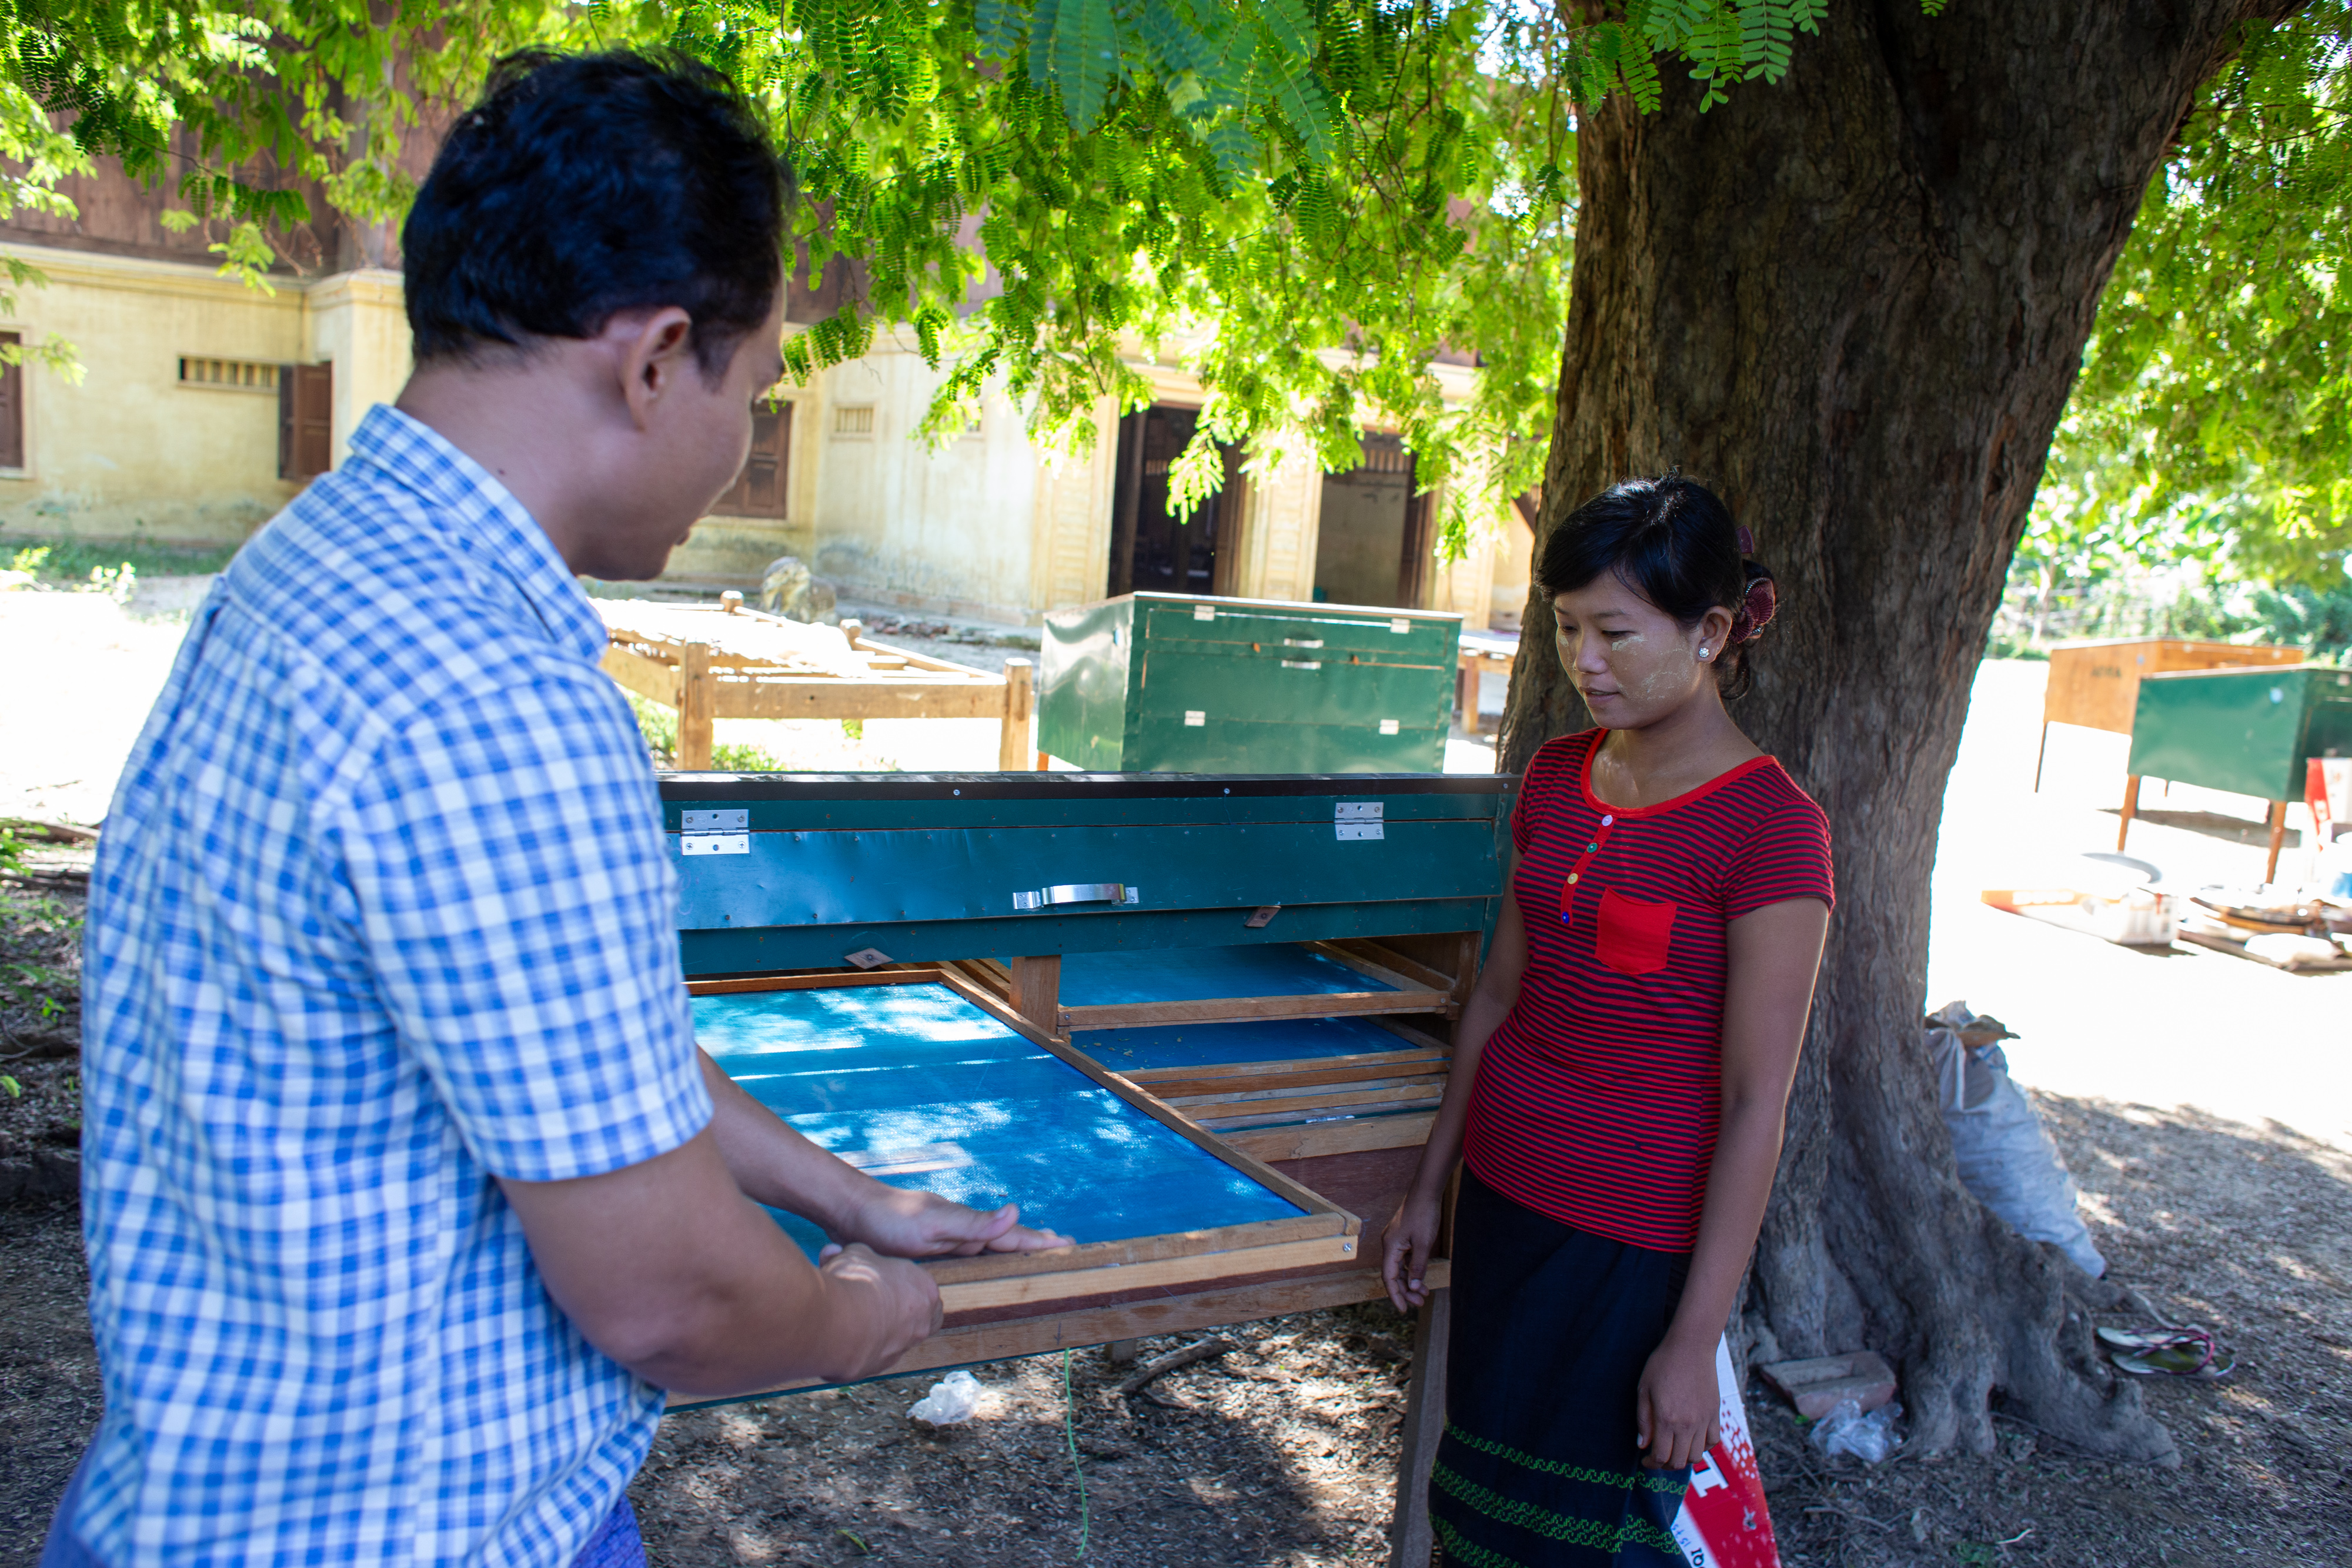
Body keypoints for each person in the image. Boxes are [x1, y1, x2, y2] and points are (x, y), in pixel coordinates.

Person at [49, 49, 1068, 1568]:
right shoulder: (495, 696)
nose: (740, 451)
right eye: (759, 385)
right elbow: (676, 1301)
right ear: (658, 358)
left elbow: (573, 1059)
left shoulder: (311, 566)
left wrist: (845, 1192)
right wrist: (864, 1312)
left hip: (201, 1496)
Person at [1381, 476, 1833, 1566]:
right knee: (1479, 1510)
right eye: (1568, 627)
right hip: (1507, 1203)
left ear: (1712, 631)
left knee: (1589, 1538)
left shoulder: (1773, 831)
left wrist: (1693, 1337)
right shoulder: (1553, 776)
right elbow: (1496, 996)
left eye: (1616, 633)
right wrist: (1430, 1188)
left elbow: (1753, 1104)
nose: (1583, 661)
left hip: (1631, 1249)